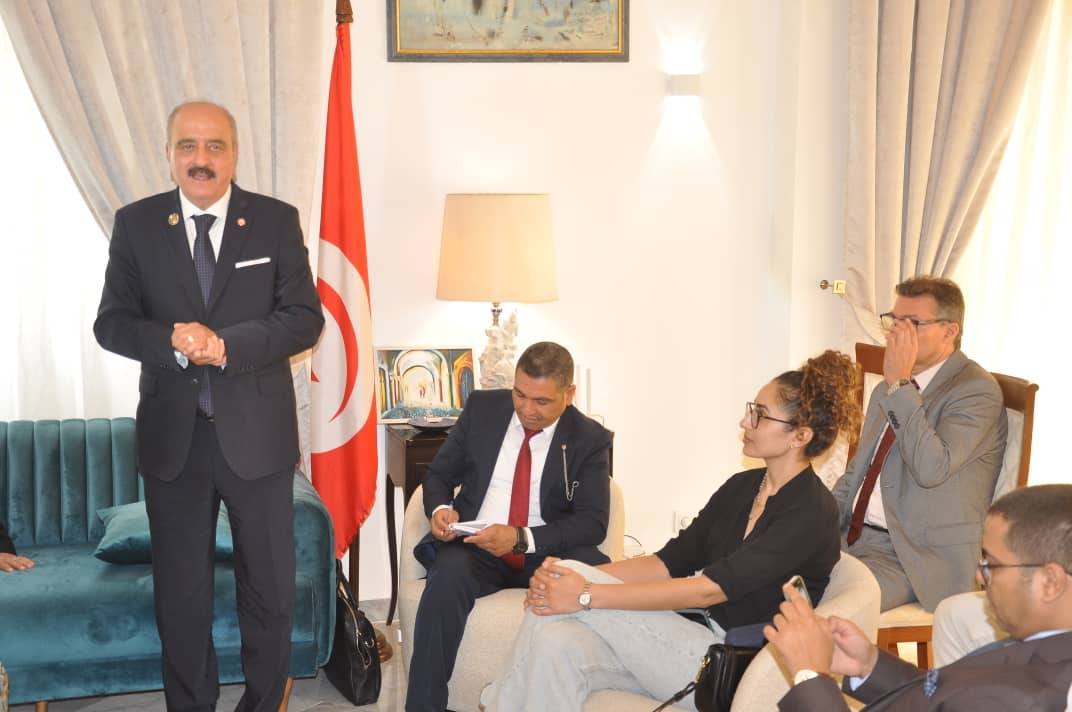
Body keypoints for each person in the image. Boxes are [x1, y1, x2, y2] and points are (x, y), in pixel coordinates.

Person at [94, 100, 323, 712]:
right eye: (188, 146)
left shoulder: (274, 221)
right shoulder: (137, 224)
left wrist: (228, 345)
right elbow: (111, 324)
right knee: (181, 596)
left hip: (259, 438)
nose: (201, 159)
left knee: (269, 591)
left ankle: (261, 705)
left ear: (234, 154)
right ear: (168, 154)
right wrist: (170, 339)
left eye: (215, 145)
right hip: (174, 441)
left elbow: (304, 319)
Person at [480, 350, 861, 711]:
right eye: (751, 410)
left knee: (568, 581)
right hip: (682, 636)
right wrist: (570, 579)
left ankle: (496, 702)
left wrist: (584, 592)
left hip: (728, 662)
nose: (745, 422)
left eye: (760, 415)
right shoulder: (742, 487)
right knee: (554, 640)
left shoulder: (810, 511)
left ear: (800, 436)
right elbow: (668, 561)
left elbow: (710, 589)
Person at [406, 341, 613, 712]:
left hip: (545, 551)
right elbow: (439, 474)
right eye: (520, 394)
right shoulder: (483, 409)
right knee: (447, 575)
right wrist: (440, 509)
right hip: (477, 548)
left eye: (542, 401)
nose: (527, 410)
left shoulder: (589, 439)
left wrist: (521, 538)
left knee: (601, 575)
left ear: (569, 394)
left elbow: (593, 522)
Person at [765, 483, 1072, 711]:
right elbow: (947, 698)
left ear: (1050, 582)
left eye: (991, 564)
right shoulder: (1042, 650)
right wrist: (869, 664)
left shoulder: (1030, 697)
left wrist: (811, 676)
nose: (980, 576)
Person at [833, 276, 1007, 612]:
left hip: (911, 556)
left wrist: (899, 384)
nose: (897, 333)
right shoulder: (889, 388)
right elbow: (858, 472)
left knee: (826, 604)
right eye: (894, 320)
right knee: (766, 578)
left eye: (912, 323)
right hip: (850, 538)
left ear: (949, 331)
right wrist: (814, 522)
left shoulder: (975, 391)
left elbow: (931, 468)